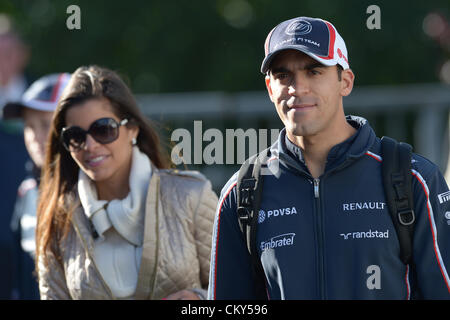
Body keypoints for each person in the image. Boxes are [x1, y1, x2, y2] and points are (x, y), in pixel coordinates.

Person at [209, 16, 450, 299]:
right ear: (269, 88)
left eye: (314, 71)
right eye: (283, 75)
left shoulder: (414, 180)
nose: (297, 89)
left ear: (345, 82)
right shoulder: (242, 192)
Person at [36, 65, 218, 300]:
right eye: (76, 136)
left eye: (103, 129)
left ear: (132, 129)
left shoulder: (191, 195)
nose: (90, 146)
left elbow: (240, 289)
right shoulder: (56, 217)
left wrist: (198, 300)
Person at [3, 73, 71, 299]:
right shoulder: (27, 189)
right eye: (29, 126)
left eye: (45, 124)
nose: (34, 136)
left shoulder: (93, 191)